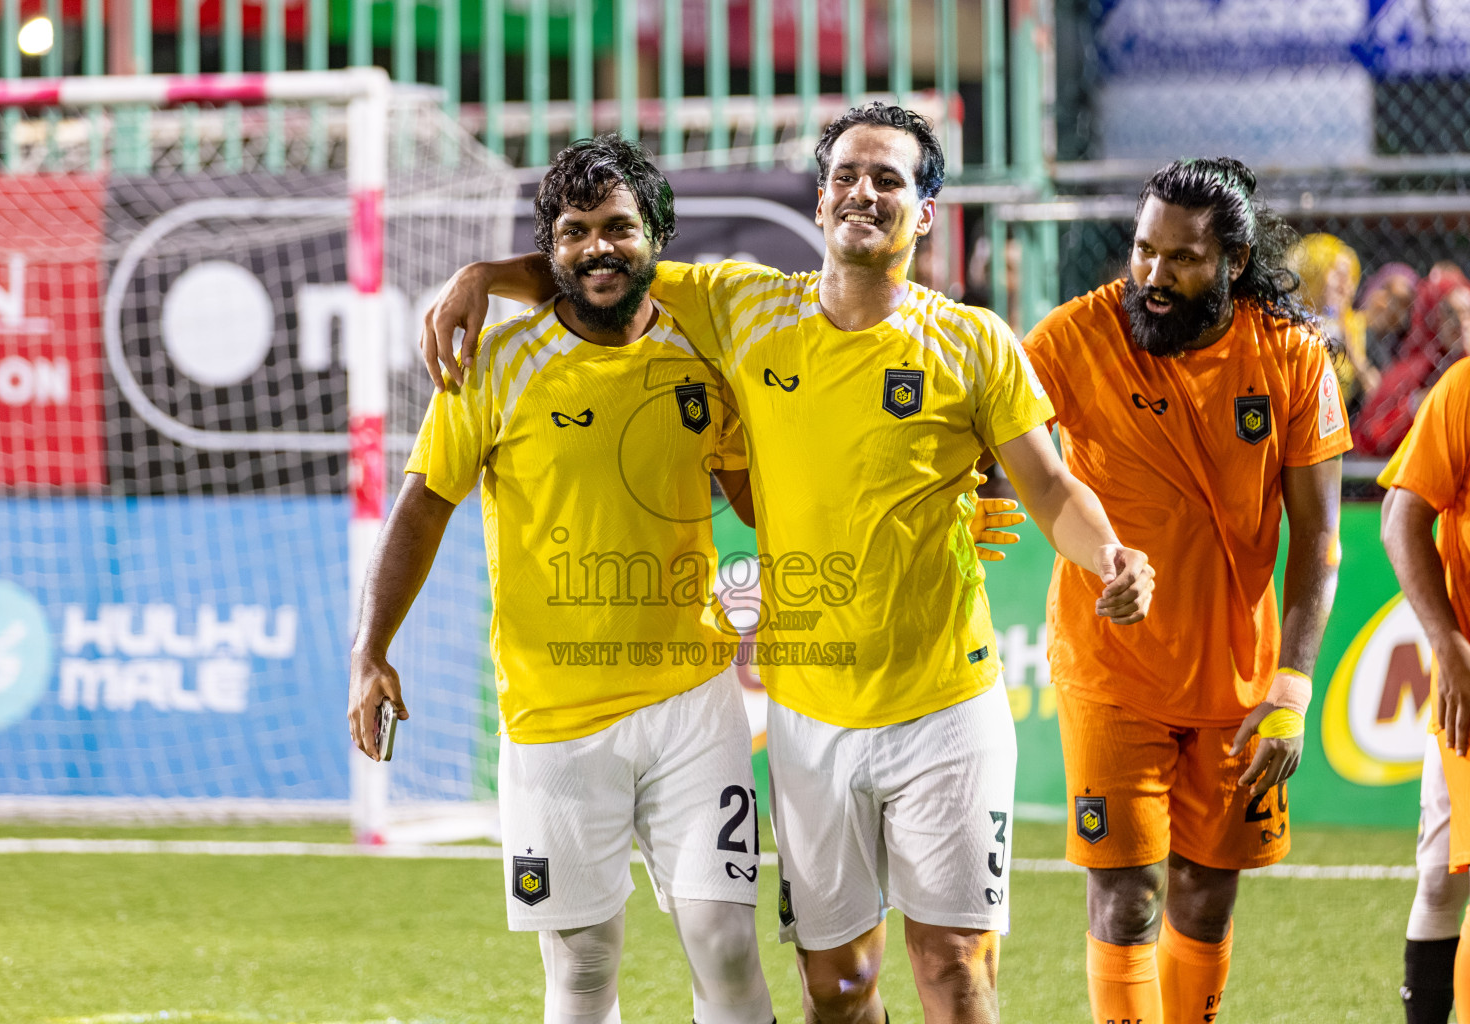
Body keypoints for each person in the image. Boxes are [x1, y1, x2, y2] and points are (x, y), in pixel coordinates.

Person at [420, 103, 1156, 1024]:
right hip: (810, 715)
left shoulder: (975, 342)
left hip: (947, 704)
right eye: (848, 174)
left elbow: (1049, 486)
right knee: (838, 990)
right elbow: (607, 264)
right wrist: (483, 276)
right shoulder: (745, 305)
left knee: (956, 969)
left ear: (925, 212)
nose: (864, 191)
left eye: (889, 178)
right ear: (820, 200)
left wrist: (1110, 556)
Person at [347, 135, 778, 1024]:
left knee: (727, 947)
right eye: (574, 232)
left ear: (655, 234)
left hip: (693, 703)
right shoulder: (492, 366)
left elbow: (758, 496)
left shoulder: (705, 356)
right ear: (550, 250)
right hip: (551, 718)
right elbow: (422, 509)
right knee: (582, 971)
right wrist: (371, 649)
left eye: (618, 227)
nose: (597, 249)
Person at [1021, 157, 1352, 1024]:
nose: (1153, 276)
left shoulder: (1291, 356)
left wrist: (1293, 685)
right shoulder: (1074, 336)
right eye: (1142, 250)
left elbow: (1320, 541)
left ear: (1234, 262)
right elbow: (998, 439)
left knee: (1206, 897)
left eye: (1182, 259)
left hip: (1239, 682)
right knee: (1125, 898)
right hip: (1111, 670)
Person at [1382, 357, 1470, 1023]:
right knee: (1442, 879)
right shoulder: (1464, 388)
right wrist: (1446, 642)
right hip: (1469, 680)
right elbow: (1401, 515)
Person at [1356, 263, 1470, 456]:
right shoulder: (1409, 374)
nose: (1460, 323)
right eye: (1450, 313)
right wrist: (1412, 407)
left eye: (1467, 312)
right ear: (1431, 315)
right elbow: (1366, 439)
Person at [1291, 232, 1376, 414]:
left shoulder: (1362, 328)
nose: (1346, 283)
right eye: (1338, 274)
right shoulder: (1290, 326)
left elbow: (1380, 394)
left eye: (1351, 276)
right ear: (1314, 274)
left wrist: (1352, 350)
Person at [1359, 262, 1419, 372]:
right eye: (1386, 291)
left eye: (1403, 305)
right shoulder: (1350, 327)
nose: (1387, 306)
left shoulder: (1395, 353)